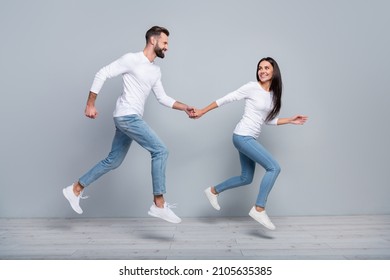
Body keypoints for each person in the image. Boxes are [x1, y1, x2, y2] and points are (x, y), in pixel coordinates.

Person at [63, 26, 195, 223]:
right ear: (153, 40)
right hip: (127, 117)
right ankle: (159, 203)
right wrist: (90, 103)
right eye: (165, 42)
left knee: (113, 161)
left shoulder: (155, 70)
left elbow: (162, 98)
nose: (167, 47)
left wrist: (185, 107)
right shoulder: (131, 59)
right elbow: (103, 73)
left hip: (128, 118)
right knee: (160, 150)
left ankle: (75, 189)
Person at [194, 57, 308, 230]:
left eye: (266, 68)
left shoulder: (272, 95)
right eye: (260, 68)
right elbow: (227, 98)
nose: (262, 71)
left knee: (246, 178)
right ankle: (259, 208)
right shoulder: (251, 87)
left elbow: (267, 121)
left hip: (249, 138)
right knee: (274, 168)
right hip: (242, 136)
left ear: (274, 71)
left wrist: (290, 120)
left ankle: (213, 191)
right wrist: (202, 110)